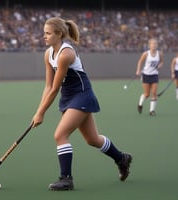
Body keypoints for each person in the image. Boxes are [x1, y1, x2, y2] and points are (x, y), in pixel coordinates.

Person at [31, 17, 132, 191]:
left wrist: (41, 113)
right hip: (69, 97)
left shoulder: (66, 54)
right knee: (92, 139)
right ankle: (121, 158)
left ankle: (66, 179)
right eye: (44, 33)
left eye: (48, 33)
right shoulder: (48, 54)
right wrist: (38, 110)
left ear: (59, 34)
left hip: (82, 96)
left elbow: (55, 88)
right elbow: (47, 86)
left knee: (60, 135)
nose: (44, 36)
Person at [136, 38, 164, 116]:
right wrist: (138, 70)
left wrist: (160, 65)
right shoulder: (146, 54)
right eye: (153, 44)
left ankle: (152, 111)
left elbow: (161, 61)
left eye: (156, 44)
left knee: (154, 93)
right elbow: (140, 62)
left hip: (154, 74)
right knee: (147, 94)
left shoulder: (159, 54)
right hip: (146, 74)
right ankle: (140, 103)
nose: (155, 45)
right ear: (149, 45)